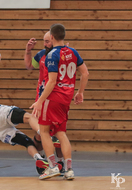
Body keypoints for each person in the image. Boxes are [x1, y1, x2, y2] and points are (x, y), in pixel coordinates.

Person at [30, 24, 89, 180]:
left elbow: (52, 81)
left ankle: (53, 167)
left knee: (43, 132)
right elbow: (85, 73)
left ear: (53, 37)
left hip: (53, 98)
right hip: (66, 99)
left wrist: (39, 101)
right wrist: (80, 92)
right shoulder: (73, 52)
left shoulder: (52, 55)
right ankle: (69, 170)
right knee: (61, 133)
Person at [25, 31, 65, 174]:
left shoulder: (62, 54)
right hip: (41, 96)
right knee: (41, 133)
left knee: (57, 133)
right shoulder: (42, 54)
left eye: (48, 41)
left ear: (54, 39)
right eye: (44, 41)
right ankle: (43, 160)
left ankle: (60, 163)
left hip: (56, 97)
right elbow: (29, 66)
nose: (45, 44)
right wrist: (28, 50)